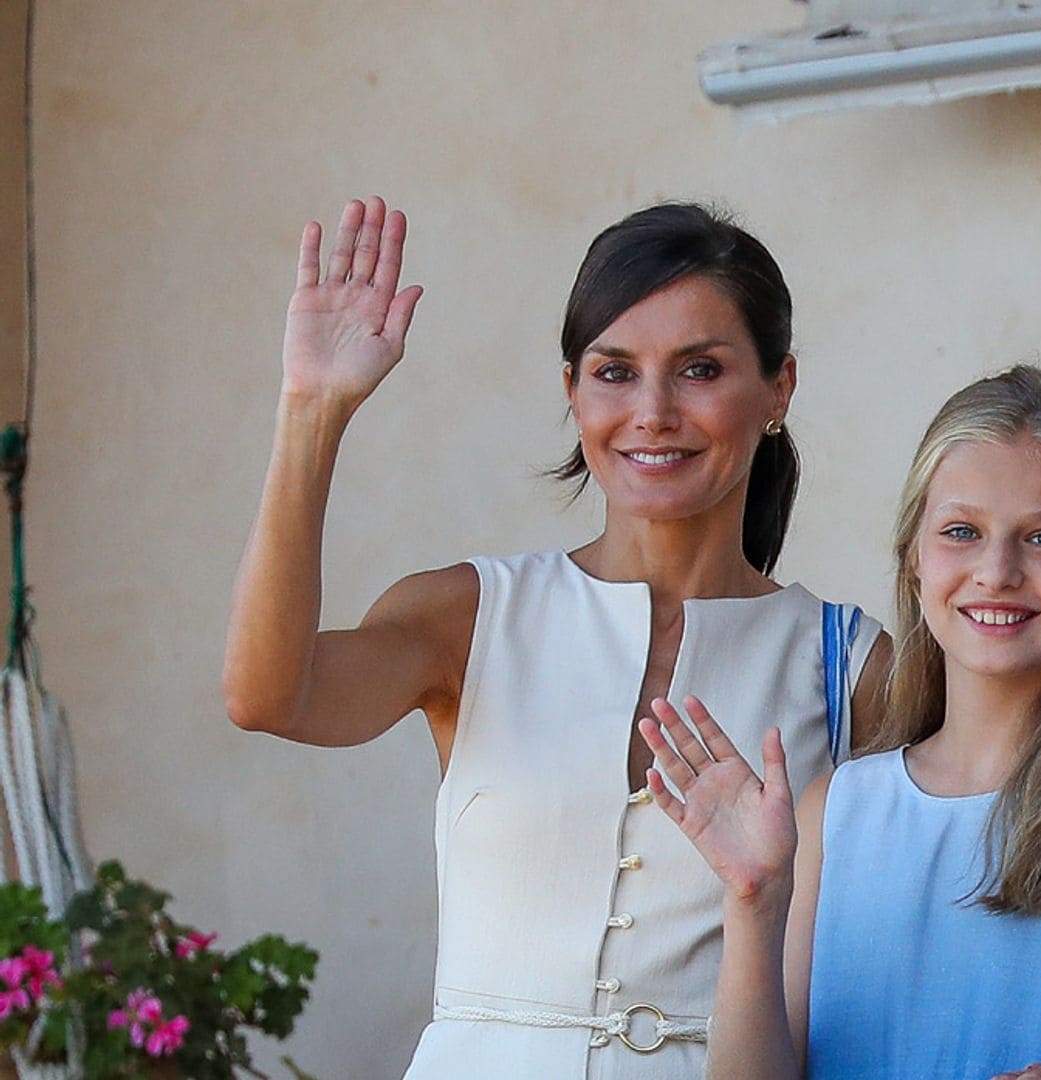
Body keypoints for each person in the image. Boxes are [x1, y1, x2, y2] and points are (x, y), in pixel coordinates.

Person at [222, 197, 889, 1079]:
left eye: (700, 369)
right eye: (614, 371)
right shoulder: (466, 614)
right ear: (572, 389)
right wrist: (312, 409)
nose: (652, 411)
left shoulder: (852, 665)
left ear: (779, 389)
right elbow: (268, 696)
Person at [638, 367, 1041, 1079]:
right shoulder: (834, 811)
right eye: (962, 532)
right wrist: (754, 899)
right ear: (913, 558)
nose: (996, 571)